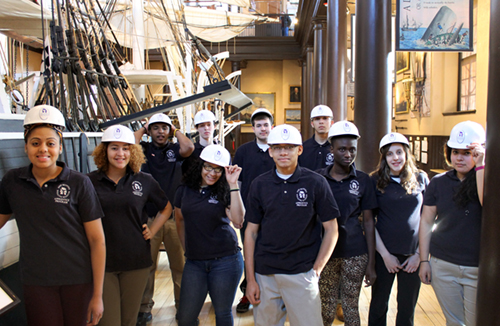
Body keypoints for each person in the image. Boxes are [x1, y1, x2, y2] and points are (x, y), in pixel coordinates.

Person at [0, 105, 106, 326]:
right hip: (36, 282)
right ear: (26, 146)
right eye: (35, 143)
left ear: (59, 147)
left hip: (78, 280)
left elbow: (97, 241)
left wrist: (97, 295)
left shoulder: (79, 183)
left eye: (50, 143)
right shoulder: (12, 182)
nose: (43, 150)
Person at [245, 124, 340, 325]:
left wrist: (317, 269)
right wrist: (251, 279)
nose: (283, 152)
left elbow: (332, 229)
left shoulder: (316, 182)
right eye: (278, 147)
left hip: (302, 273)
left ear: (300, 149)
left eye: (289, 147)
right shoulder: (259, 184)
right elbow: (251, 232)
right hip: (265, 274)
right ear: (270, 151)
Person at [89, 125, 173, 326]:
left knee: (129, 320)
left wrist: (152, 230)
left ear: (132, 151)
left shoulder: (144, 180)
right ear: (104, 151)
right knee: (109, 321)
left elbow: (166, 208)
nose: (120, 153)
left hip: (136, 261)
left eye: (126, 148)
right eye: (114, 148)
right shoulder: (89, 181)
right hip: (104, 263)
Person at [419, 121, 486, 326]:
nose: (459, 157)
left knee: (476, 321)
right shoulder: (439, 182)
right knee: (454, 322)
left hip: (477, 267)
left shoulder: (486, 179)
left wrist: (482, 164)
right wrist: (424, 260)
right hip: (443, 264)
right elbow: (426, 221)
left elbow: (487, 203)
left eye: (467, 152)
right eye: (455, 151)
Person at [134, 113, 194, 325]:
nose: (160, 131)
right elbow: (130, 143)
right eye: (156, 128)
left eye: (164, 128)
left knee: (179, 265)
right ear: (150, 131)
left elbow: (189, 148)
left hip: (175, 219)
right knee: (147, 266)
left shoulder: (174, 150)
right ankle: (144, 308)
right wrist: (144, 127)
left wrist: (175, 128)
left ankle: (182, 306)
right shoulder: (143, 150)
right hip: (150, 218)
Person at [175, 145, 244, 326]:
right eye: (208, 167)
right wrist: (187, 249)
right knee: (185, 318)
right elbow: (179, 220)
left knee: (222, 313)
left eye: (218, 169)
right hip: (195, 262)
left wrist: (233, 184)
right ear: (200, 166)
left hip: (225, 260)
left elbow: (238, 220)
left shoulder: (225, 189)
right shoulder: (184, 190)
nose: (212, 173)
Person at [318, 121, 377, 326]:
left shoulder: (363, 180)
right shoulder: (318, 178)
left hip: (355, 253)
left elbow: (368, 223)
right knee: (325, 308)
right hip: (325, 254)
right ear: (331, 148)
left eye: (352, 149)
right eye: (342, 149)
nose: (348, 154)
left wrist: (370, 262)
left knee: (351, 308)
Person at [368, 132, 429, 326]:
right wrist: (385, 255)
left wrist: (419, 255)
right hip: (384, 253)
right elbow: (369, 222)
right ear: (384, 158)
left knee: (406, 307)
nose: (395, 158)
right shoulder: (375, 180)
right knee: (378, 305)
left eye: (399, 152)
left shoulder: (421, 178)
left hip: (413, 255)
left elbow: (429, 219)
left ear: (407, 154)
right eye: (390, 154)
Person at [232, 108, 275, 314]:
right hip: (250, 214)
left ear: (271, 127)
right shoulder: (243, 151)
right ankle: (247, 292)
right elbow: (237, 184)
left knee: (271, 253)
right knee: (251, 254)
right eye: (258, 125)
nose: (263, 128)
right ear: (253, 128)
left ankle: (272, 295)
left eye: (266, 124)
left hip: (276, 215)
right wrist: (236, 211)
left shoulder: (279, 149)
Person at [298, 105, 335, 171]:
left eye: (325, 118)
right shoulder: (303, 148)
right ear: (312, 123)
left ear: (331, 123)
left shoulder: (337, 148)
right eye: (317, 119)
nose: (321, 122)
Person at [182, 110, 217, 175]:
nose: (206, 128)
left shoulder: (220, 151)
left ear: (215, 126)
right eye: (202, 125)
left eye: (209, 125)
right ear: (196, 128)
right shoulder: (191, 152)